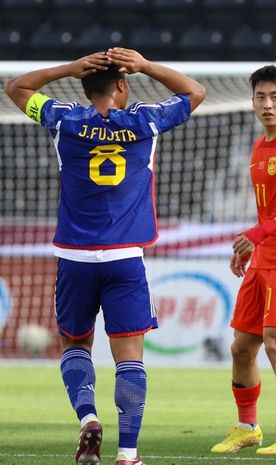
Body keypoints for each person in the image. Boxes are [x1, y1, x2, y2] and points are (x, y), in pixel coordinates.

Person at [4, 49, 206, 465]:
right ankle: (128, 454)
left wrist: (68, 68)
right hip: (125, 258)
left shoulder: (65, 119)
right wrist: (146, 65)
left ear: (85, 84)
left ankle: (88, 418)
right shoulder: (145, 120)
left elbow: (15, 87)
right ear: (121, 84)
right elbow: (195, 92)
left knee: (75, 344)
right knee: (129, 357)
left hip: (74, 258)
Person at [210, 65, 276, 457]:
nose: (268, 104)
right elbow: (270, 210)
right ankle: (247, 427)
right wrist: (252, 246)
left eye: (275, 96)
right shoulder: (259, 147)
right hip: (263, 258)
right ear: (252, 100)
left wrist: (259, 234)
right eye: (261, 96)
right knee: (241, 347)